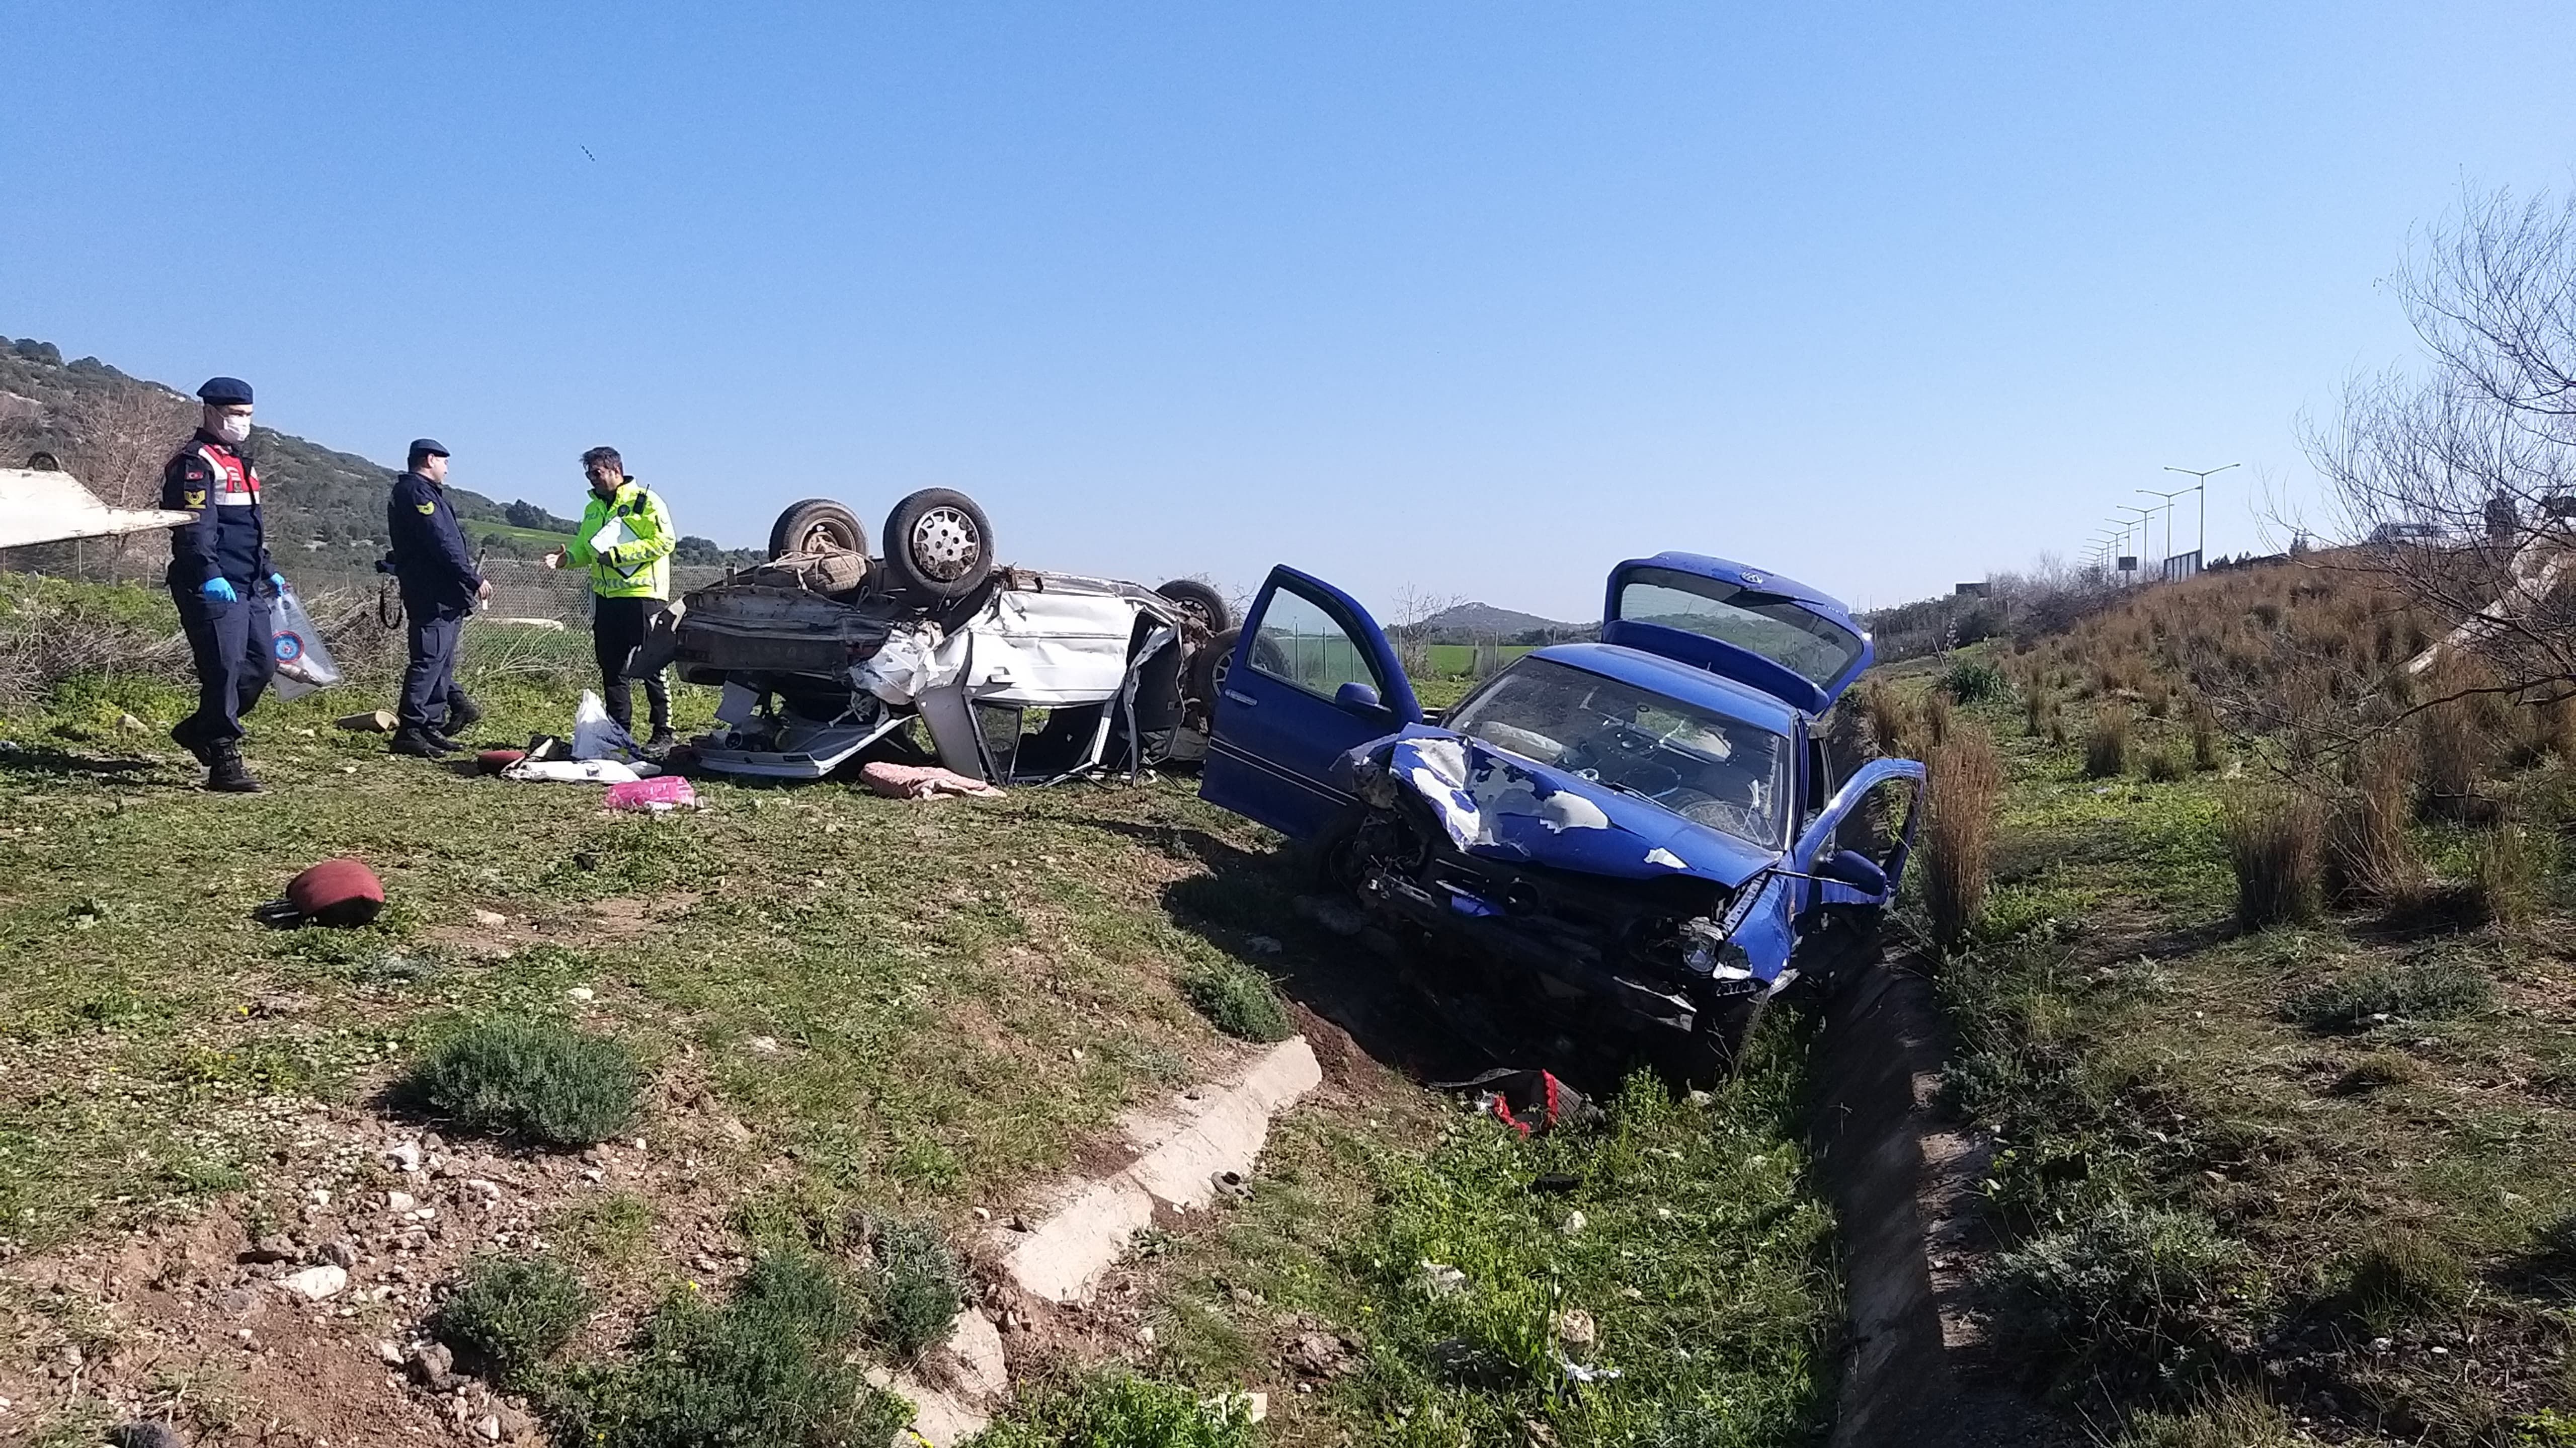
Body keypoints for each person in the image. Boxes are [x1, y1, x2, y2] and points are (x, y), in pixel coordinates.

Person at [162, 376, 281, 792]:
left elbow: (248, 527)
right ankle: (223, 758)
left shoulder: (241, 462)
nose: (243, 422)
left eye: (248, 415)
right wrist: (208, 573)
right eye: (235, 414)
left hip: (247, 583)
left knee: (261, 666)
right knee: (224, 669)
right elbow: (194, 527)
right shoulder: (195, 463)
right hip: (211, 582)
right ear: (211, 412)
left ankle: (200, 729)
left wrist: (267, 568)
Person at [545, 446, 677, 752]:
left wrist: (618, 555)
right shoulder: (592, 509)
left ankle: (663, 732)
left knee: (652, 666)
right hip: (606, 598)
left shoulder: (645, 501)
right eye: (588, 474)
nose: (592, 479)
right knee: (612, 667)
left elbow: (665, 542)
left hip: (643, 596)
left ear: (616, 470)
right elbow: (585, 548)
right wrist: (566, 559)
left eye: (597, 472)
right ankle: (620, 732)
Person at [384, 439, 491, 757]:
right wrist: (472, 577)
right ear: (430, 460)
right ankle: (410, 730)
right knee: (428, 660)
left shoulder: (426, 492)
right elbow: (441, 541)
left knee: (443, 663)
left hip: (446, 594)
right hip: (432, 592)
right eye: (445, 462)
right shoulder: (416, 493)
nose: (447, 469)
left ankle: (430, 725)